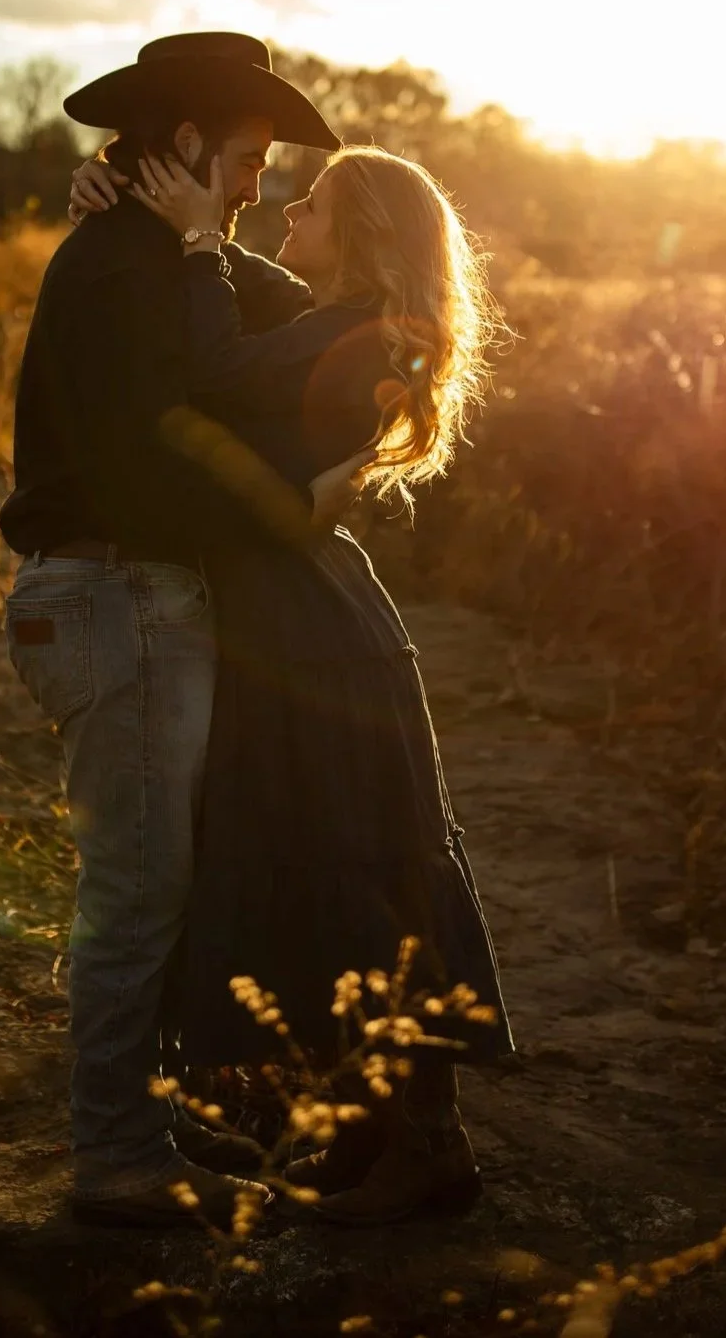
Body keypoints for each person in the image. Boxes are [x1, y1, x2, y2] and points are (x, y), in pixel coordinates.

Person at [66, 141, 517, 1225]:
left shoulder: (355, 330)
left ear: (358, 231)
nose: (283, 211)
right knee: (323, 869)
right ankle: (371, 1137)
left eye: (308, 203)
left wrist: (190, 239)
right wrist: (114, 206)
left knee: (357, 876)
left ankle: (428, 1148)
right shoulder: (328, 318)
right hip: (292, 620)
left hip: (313, 633)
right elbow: (243, 324)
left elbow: (219, 368)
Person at [0, 31, 356, 1227]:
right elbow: (156, 467)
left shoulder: (150, 254)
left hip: (122, 600)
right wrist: (287, 515)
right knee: (138, 890)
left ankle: (140, 1119)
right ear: (189, 142)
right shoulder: (118, 268)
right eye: (247, 155)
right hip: (114, 596)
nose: (260, 181)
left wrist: (193, 235)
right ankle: (114, 1159)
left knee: (155, 878)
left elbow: (281, 318)